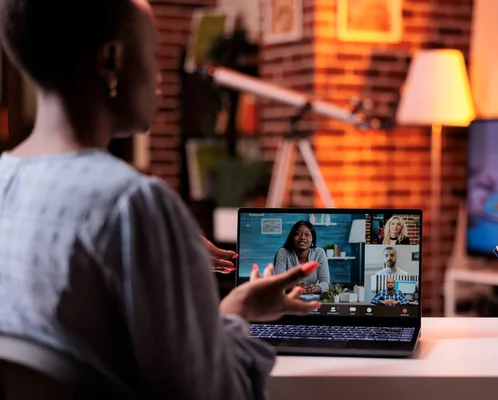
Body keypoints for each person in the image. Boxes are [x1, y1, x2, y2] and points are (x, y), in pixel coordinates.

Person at [0, 0, 321, 398]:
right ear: (112, 60)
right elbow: (215, 392)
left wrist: (164, 252)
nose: (160, 81)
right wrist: (241, 309)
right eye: (153, 55)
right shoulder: (132, 204)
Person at [273, 220, 330, 294]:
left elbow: (325, 282)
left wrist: (313, 289)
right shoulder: (283, 252)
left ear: (312, 239)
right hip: (288, 299)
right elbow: (280, 282)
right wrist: (294, 288)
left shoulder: (319, 253)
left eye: (307, 234)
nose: (302, 237)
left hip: (312, 298)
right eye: (298, 234)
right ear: (292, 238)